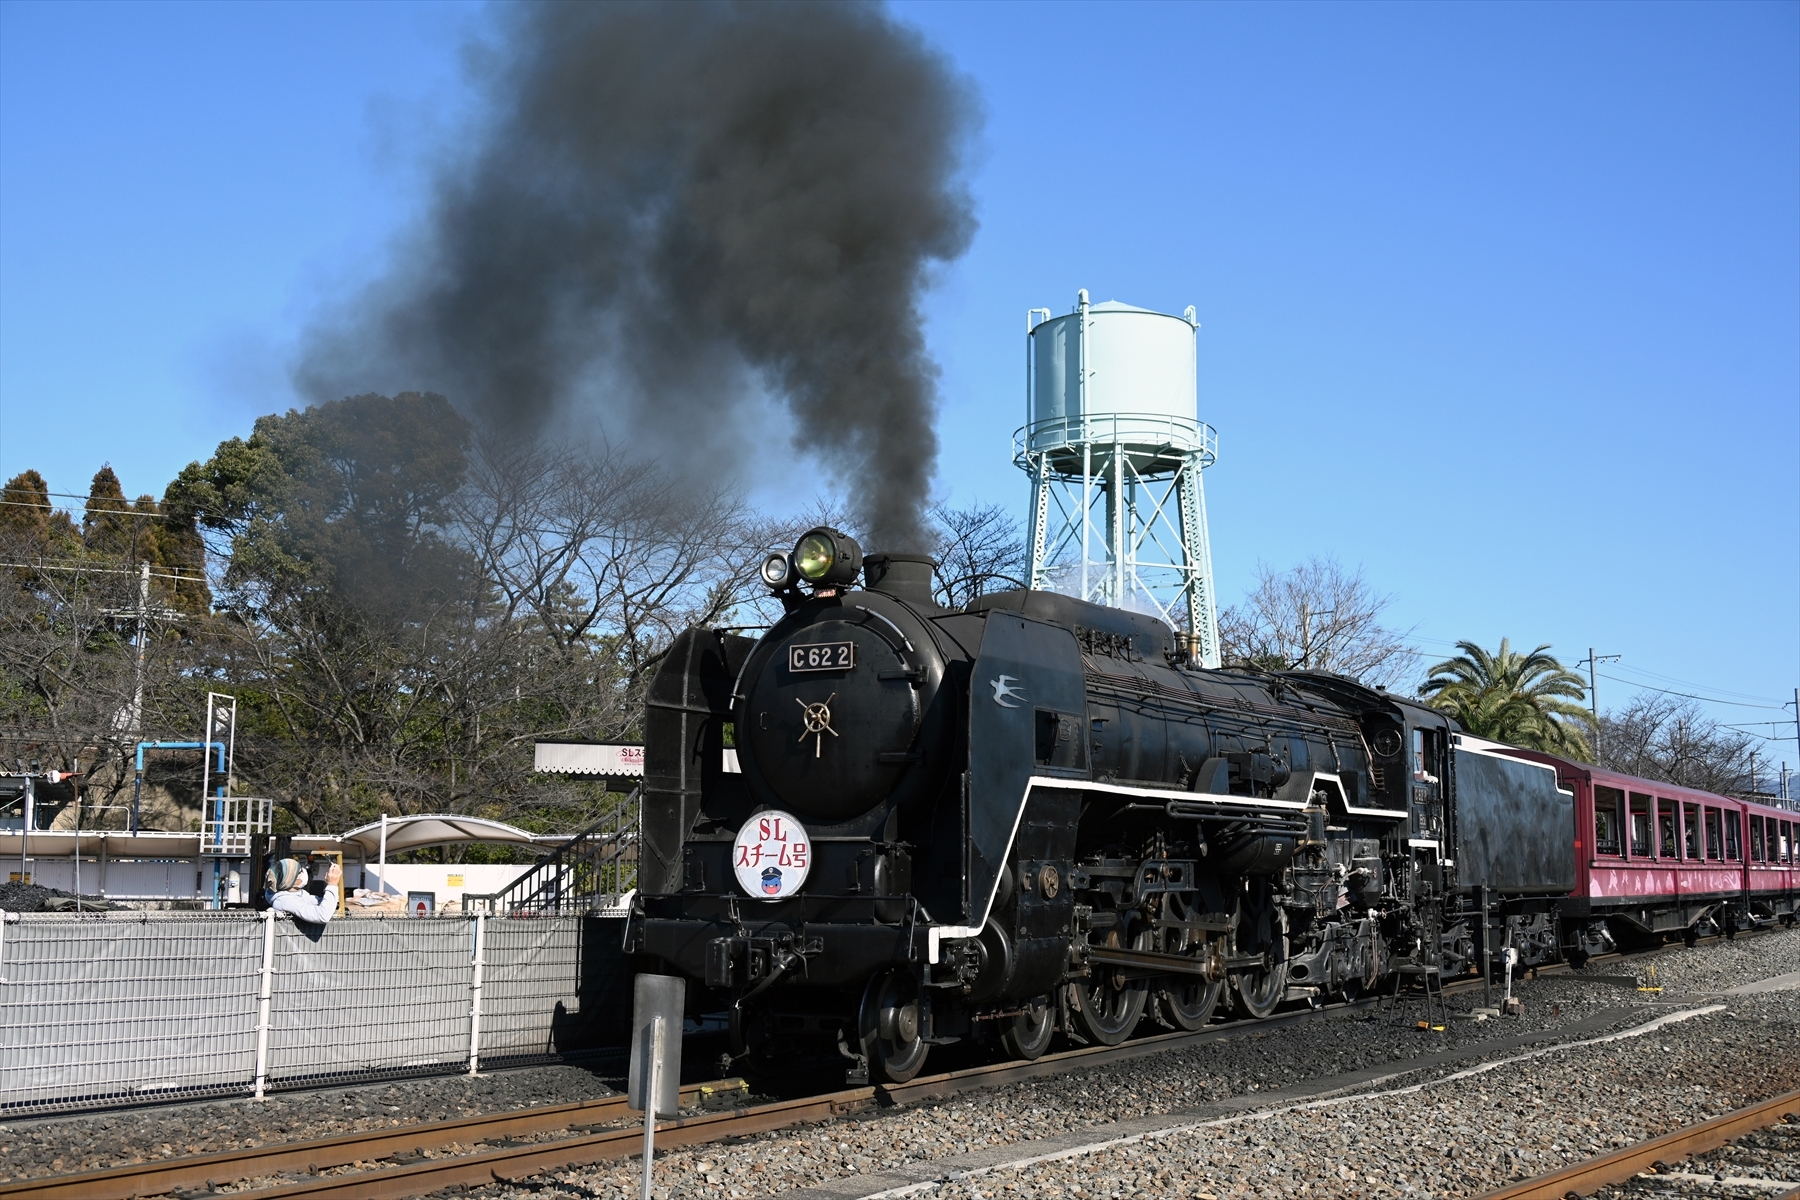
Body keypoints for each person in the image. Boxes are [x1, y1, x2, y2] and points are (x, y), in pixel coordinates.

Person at [264, 857, 340, 924]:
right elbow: (322, 915)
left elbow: (321, 903)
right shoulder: (284, 901)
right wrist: (332, 885)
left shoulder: (300, 893)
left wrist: (330, 888)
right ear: (291, 880)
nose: (304, 872)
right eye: (299, 872)